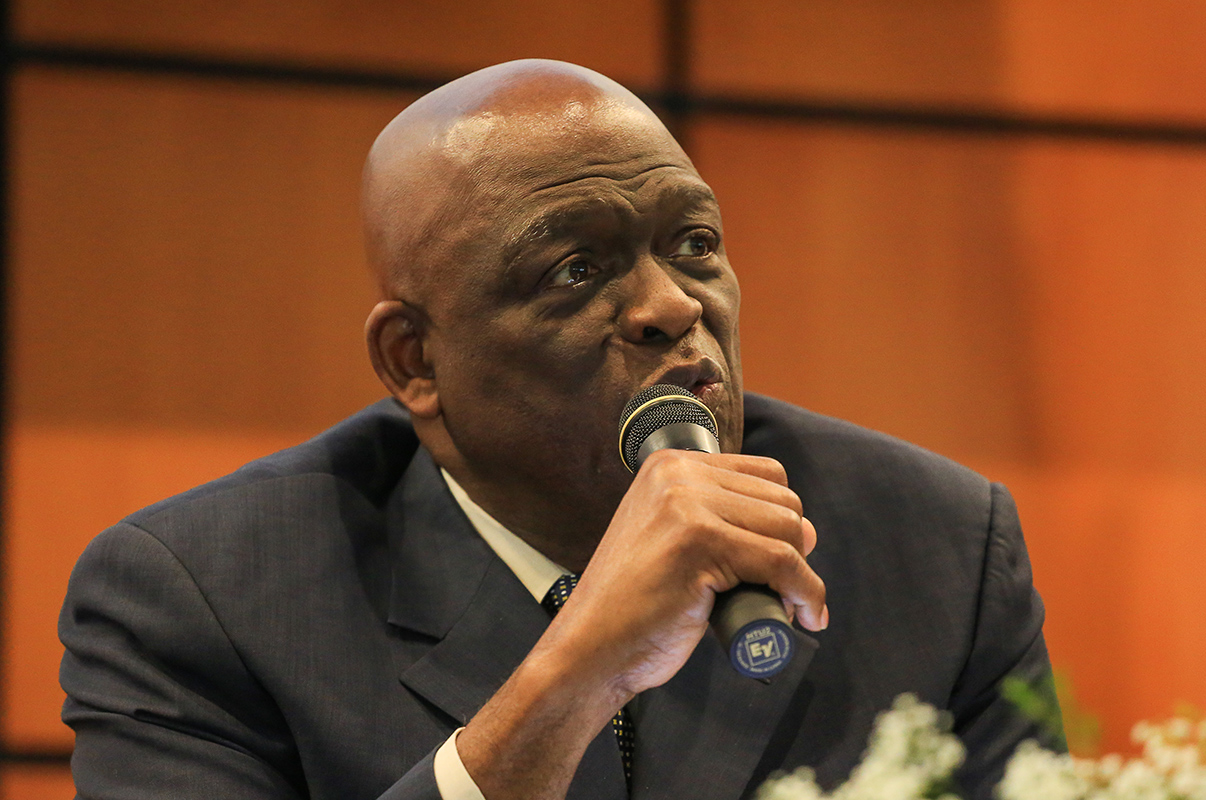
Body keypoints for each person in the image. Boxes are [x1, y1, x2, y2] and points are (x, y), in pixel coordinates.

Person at [59, 59, 1060, 800]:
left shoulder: (934, 547)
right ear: (415, 362)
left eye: (694, 243)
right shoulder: (203, 601)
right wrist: (578, 673)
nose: (673, 305)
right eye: (574, 270)